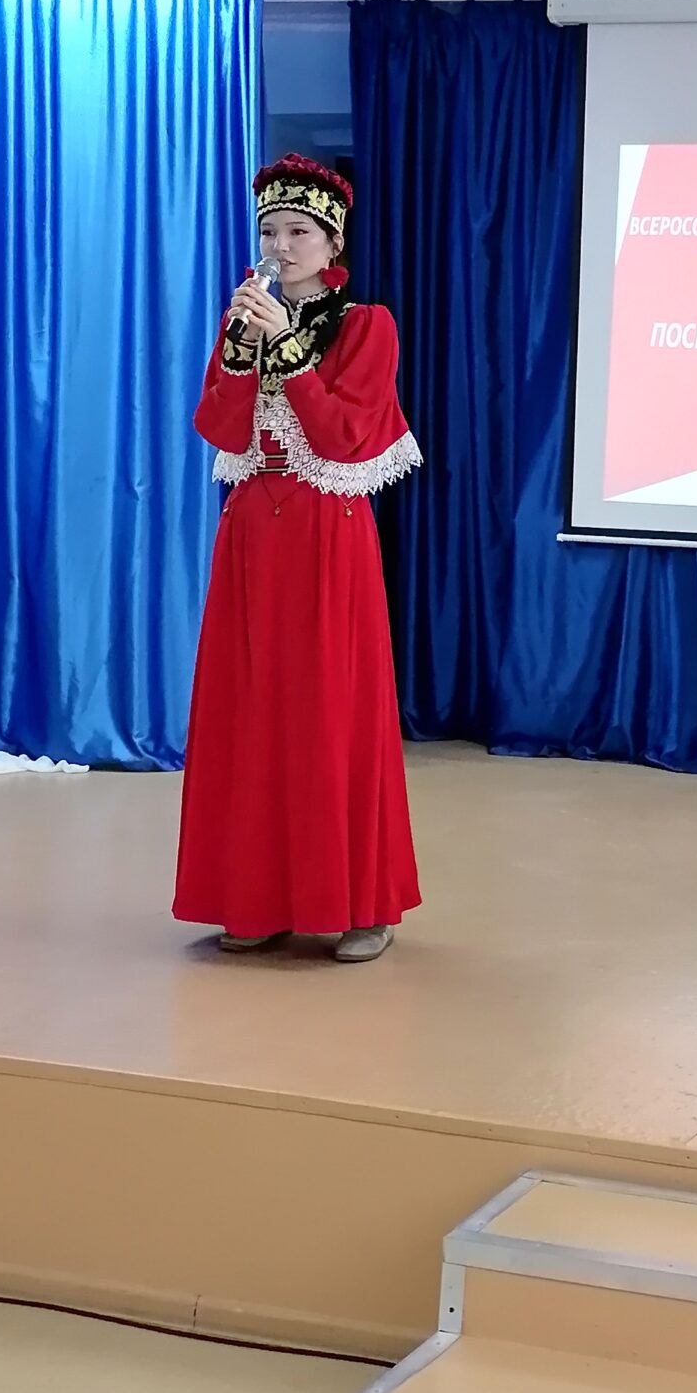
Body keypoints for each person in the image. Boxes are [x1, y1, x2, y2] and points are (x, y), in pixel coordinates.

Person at [174, 155, 422, 962]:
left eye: (298, 232)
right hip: (252, 529)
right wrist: (244, 351)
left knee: (331, 708)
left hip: (326, 531)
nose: (280, 247)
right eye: (269, 232)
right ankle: (256, 896)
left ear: (332, 241)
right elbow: (218, 427)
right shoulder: (243, 322)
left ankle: (362, 905)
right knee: (251, 708)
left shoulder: (367, 325)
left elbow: (344, 436)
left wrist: (286, 347)